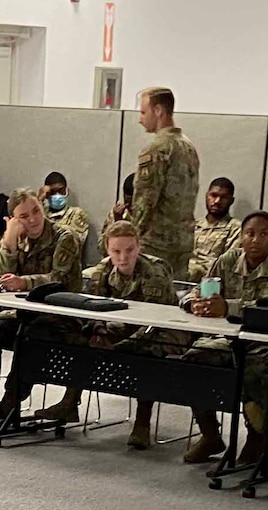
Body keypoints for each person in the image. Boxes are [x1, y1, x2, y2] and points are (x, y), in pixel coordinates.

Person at [0, 188, 88, 429]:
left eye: (36, 211)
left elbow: (57, 279)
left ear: (42, 207)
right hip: (24, 313)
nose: (32, 220)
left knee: (28, 338)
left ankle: (9, 402)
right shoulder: (16, 236)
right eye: (24, 216)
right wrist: (8, 241)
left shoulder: (64, 237)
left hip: (61, 316)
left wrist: (24, 282)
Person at [184, 210, 268, 464]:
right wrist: (194, 303)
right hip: (230, 339)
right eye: (250, 233)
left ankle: (262, 439)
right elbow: (198, 288)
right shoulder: (228, 261)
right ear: (241, 237)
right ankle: (210, 435)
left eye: (263, 234)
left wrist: (229, 307)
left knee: (256, 365)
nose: (256, 240)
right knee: (195, 359)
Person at [77, 220, 180, 451]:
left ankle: (142, 422)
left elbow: (154, 322)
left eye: (129, 250)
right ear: (107, 250)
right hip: (125, 326)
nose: (123, 257)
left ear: (139, 247)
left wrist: (122, 346)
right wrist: (99, 331)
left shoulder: (154, 271)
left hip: (166, 330)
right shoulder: (101, 271)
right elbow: (92, 308)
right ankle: (70, 402)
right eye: (116, 251)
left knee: (146, 353)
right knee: (80, 340)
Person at [130, 87, 200, 289]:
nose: (140, 119)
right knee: (175, 294)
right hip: (183, 241)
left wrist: (133, 237)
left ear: (158, 110)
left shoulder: (157, 148)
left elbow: (145, 200)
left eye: (143, 112)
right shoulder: (188, 147)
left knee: (151, 300)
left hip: (156, 244)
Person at [188, 176, 240, 282]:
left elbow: (227, 263)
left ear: (231, 201)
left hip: (210, 282)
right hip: (182, 276)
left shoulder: (235, 228)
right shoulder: (193, 224)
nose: (217, 201)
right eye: (213, 195)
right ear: (206, 196)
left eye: (223, 197)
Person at [40, 171, 91, 252]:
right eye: (53, 192)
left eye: (61, 190)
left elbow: (73, 242)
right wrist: (39, 201)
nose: (57, 195)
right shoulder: (41, 213)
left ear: (66, 191)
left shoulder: (76, 214)